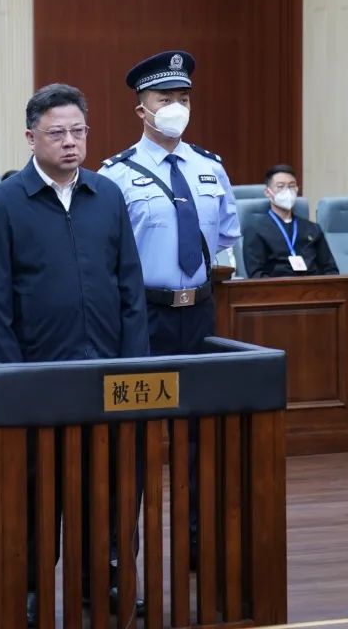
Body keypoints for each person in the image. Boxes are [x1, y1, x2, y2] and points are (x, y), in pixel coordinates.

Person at [0, 83, 148, 626]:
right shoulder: (5, 204)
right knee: (37, 489)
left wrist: (134, 363)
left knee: (110, 482)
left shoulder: (107, 196)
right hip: (40, 376)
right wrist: (15, 379)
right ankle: (31, 586)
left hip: (108, 370)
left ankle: (106, 578)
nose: (70, 142)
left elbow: (130, 288)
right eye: (57, 133)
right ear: (31, 138)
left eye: (78, 131)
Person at [99, 50, 241, 569]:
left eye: (184, 98)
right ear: (142, 109)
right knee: (133, 441)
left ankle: (199, 548)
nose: (177, 107)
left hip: (199, 314)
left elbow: (224, 236)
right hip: (144, 316)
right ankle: (119, 556)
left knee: (201, 437)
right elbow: (106, 252)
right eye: (166, 99)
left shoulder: (210, 168)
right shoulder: (115, 175)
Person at [243, 164, 339, 278]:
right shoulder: (255, 230)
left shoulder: (313, 229)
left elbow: (330, 269)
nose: (287, 191)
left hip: (314, 286)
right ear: (268, 193)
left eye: (291, 186)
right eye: (280, 186)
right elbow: (256, 274)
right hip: (278, 286)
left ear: (297, 189)